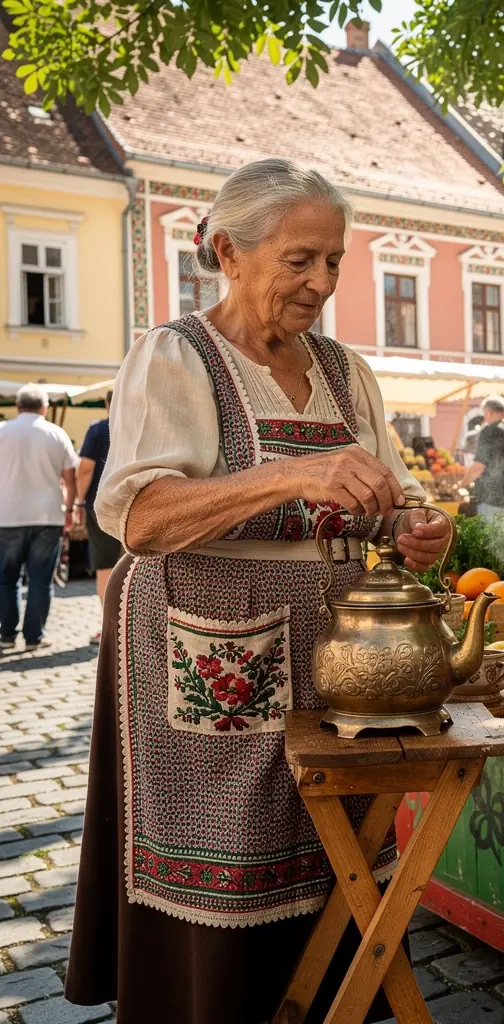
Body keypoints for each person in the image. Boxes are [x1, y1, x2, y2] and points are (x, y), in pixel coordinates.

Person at [64, 158, 451, 1024]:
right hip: (212, 662)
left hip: (344, 664)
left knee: (338, 856)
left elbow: (390, 501)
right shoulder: (178, 356)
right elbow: (144, 518)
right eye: (300, 260)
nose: (321, 283)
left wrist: (415, 529)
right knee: (231, 866)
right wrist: (291, 476)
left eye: (334, 262)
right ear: (228, 252)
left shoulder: (347, 372)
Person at [0, 384, 78, 653]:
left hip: (7, 515)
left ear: (18, 406)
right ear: (44, 408)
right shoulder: (57, 434)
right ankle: (34, 637)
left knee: (7, 579)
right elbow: (71, 477)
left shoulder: (2, 432)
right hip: (47, 515)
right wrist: (70, 510)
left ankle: (7, 635)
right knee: (40, 579)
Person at [74, 391, 122, 645]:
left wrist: (80, 500)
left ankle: (108, 628)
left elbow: (85, 469)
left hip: (101, 504)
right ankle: (130, 625)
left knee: (104, 566)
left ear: (106, 404)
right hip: (136, 503)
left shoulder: (98, 429)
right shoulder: (140, 422)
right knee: (135, 565)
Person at [461, 395, 504, 519]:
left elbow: (478, 467)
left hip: (492, 500)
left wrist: (463, 484)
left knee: (492, 537)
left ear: (489, 412)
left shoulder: (488, 431)